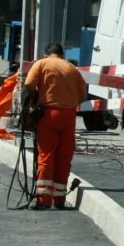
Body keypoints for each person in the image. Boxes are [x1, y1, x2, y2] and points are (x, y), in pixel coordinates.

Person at [24, 43, 87, 210]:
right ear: (62, 55)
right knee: (64, 157)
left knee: (46, 155)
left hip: (49, 114)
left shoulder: (41, 63)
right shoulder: (72, 68)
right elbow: (83, 95)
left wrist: (35, 98)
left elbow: (29, 84)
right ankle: (59, 200)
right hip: (69, 117)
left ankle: (44, 200)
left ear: (46, 54)